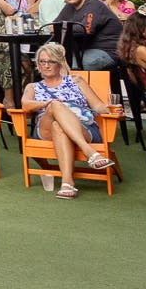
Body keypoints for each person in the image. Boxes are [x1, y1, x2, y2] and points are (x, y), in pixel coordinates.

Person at [21, 42, 113, 199]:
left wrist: (110, 109)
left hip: (84, 127)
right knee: (55, 106)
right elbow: (25, 104)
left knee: (59, 126)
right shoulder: (33, 87)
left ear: (60, 63)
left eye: (51, 61)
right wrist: (47, 104)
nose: (46, 65)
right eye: (42, 61)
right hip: (45, 128)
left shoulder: (76, 81)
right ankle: (90, 152)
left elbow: (97, 105)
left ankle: (67, 183)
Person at [52, 0, 122, 69]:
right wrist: (62, 27)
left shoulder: (94, 5)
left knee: (73, 65)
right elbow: (53, 26)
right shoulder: (69, 6)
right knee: (51, 63)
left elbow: (85, 29)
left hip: (109, 50)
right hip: (84, 50)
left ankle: (79, 83)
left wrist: (63, 27)